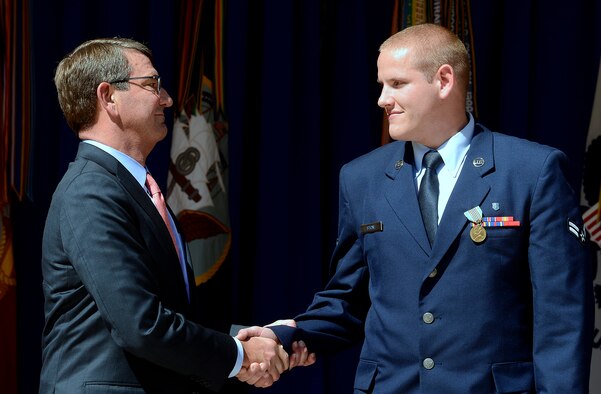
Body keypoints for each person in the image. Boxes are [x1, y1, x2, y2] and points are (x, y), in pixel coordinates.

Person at [238, 23, 594, 392]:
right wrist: (281, 337)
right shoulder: (362, 178)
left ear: (443, 81)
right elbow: (347, 301)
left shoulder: (531, 171)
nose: (381, 99)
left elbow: (561, 319)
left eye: (396, 84)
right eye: (381, 85)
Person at [40, 37, 293, 393]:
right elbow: (140, 325)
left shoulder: (134, 188)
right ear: (108, 96)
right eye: (152, 84)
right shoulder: (90, 191)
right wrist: (241, 354)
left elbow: (168, 312)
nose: (167, 99)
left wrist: (255, 338)